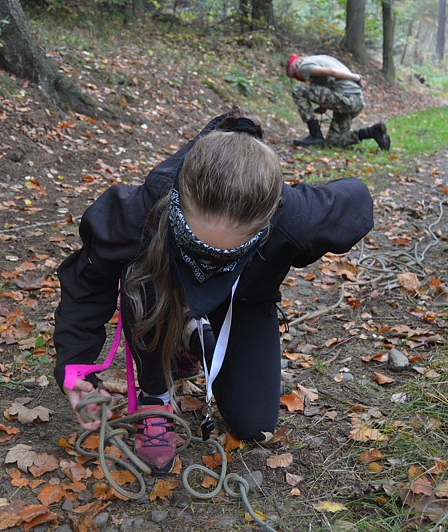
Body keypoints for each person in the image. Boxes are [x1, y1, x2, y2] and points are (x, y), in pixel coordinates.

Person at [53, 111, 374, 474]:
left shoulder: (295, 218)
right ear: (177, 202)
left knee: (254, 425)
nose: (206, 260)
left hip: (245, 299)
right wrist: (75, 364)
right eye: (194, 243)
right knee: (141, 281)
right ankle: (156, 393)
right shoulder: (140, 212)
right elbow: (87, 283)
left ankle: (192, 338)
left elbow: (357, 199)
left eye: (226, 253)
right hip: (161, 287)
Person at [286, 53, 391, 151]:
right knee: (334, 142)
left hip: (346, 98)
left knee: (298, 90)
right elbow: (328, 82)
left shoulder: (303, 67)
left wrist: (356, 77)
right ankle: (372, 132)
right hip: (356, 100)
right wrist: (324, 106)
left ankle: (315, 135)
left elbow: (332, 72)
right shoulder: (319, 59)